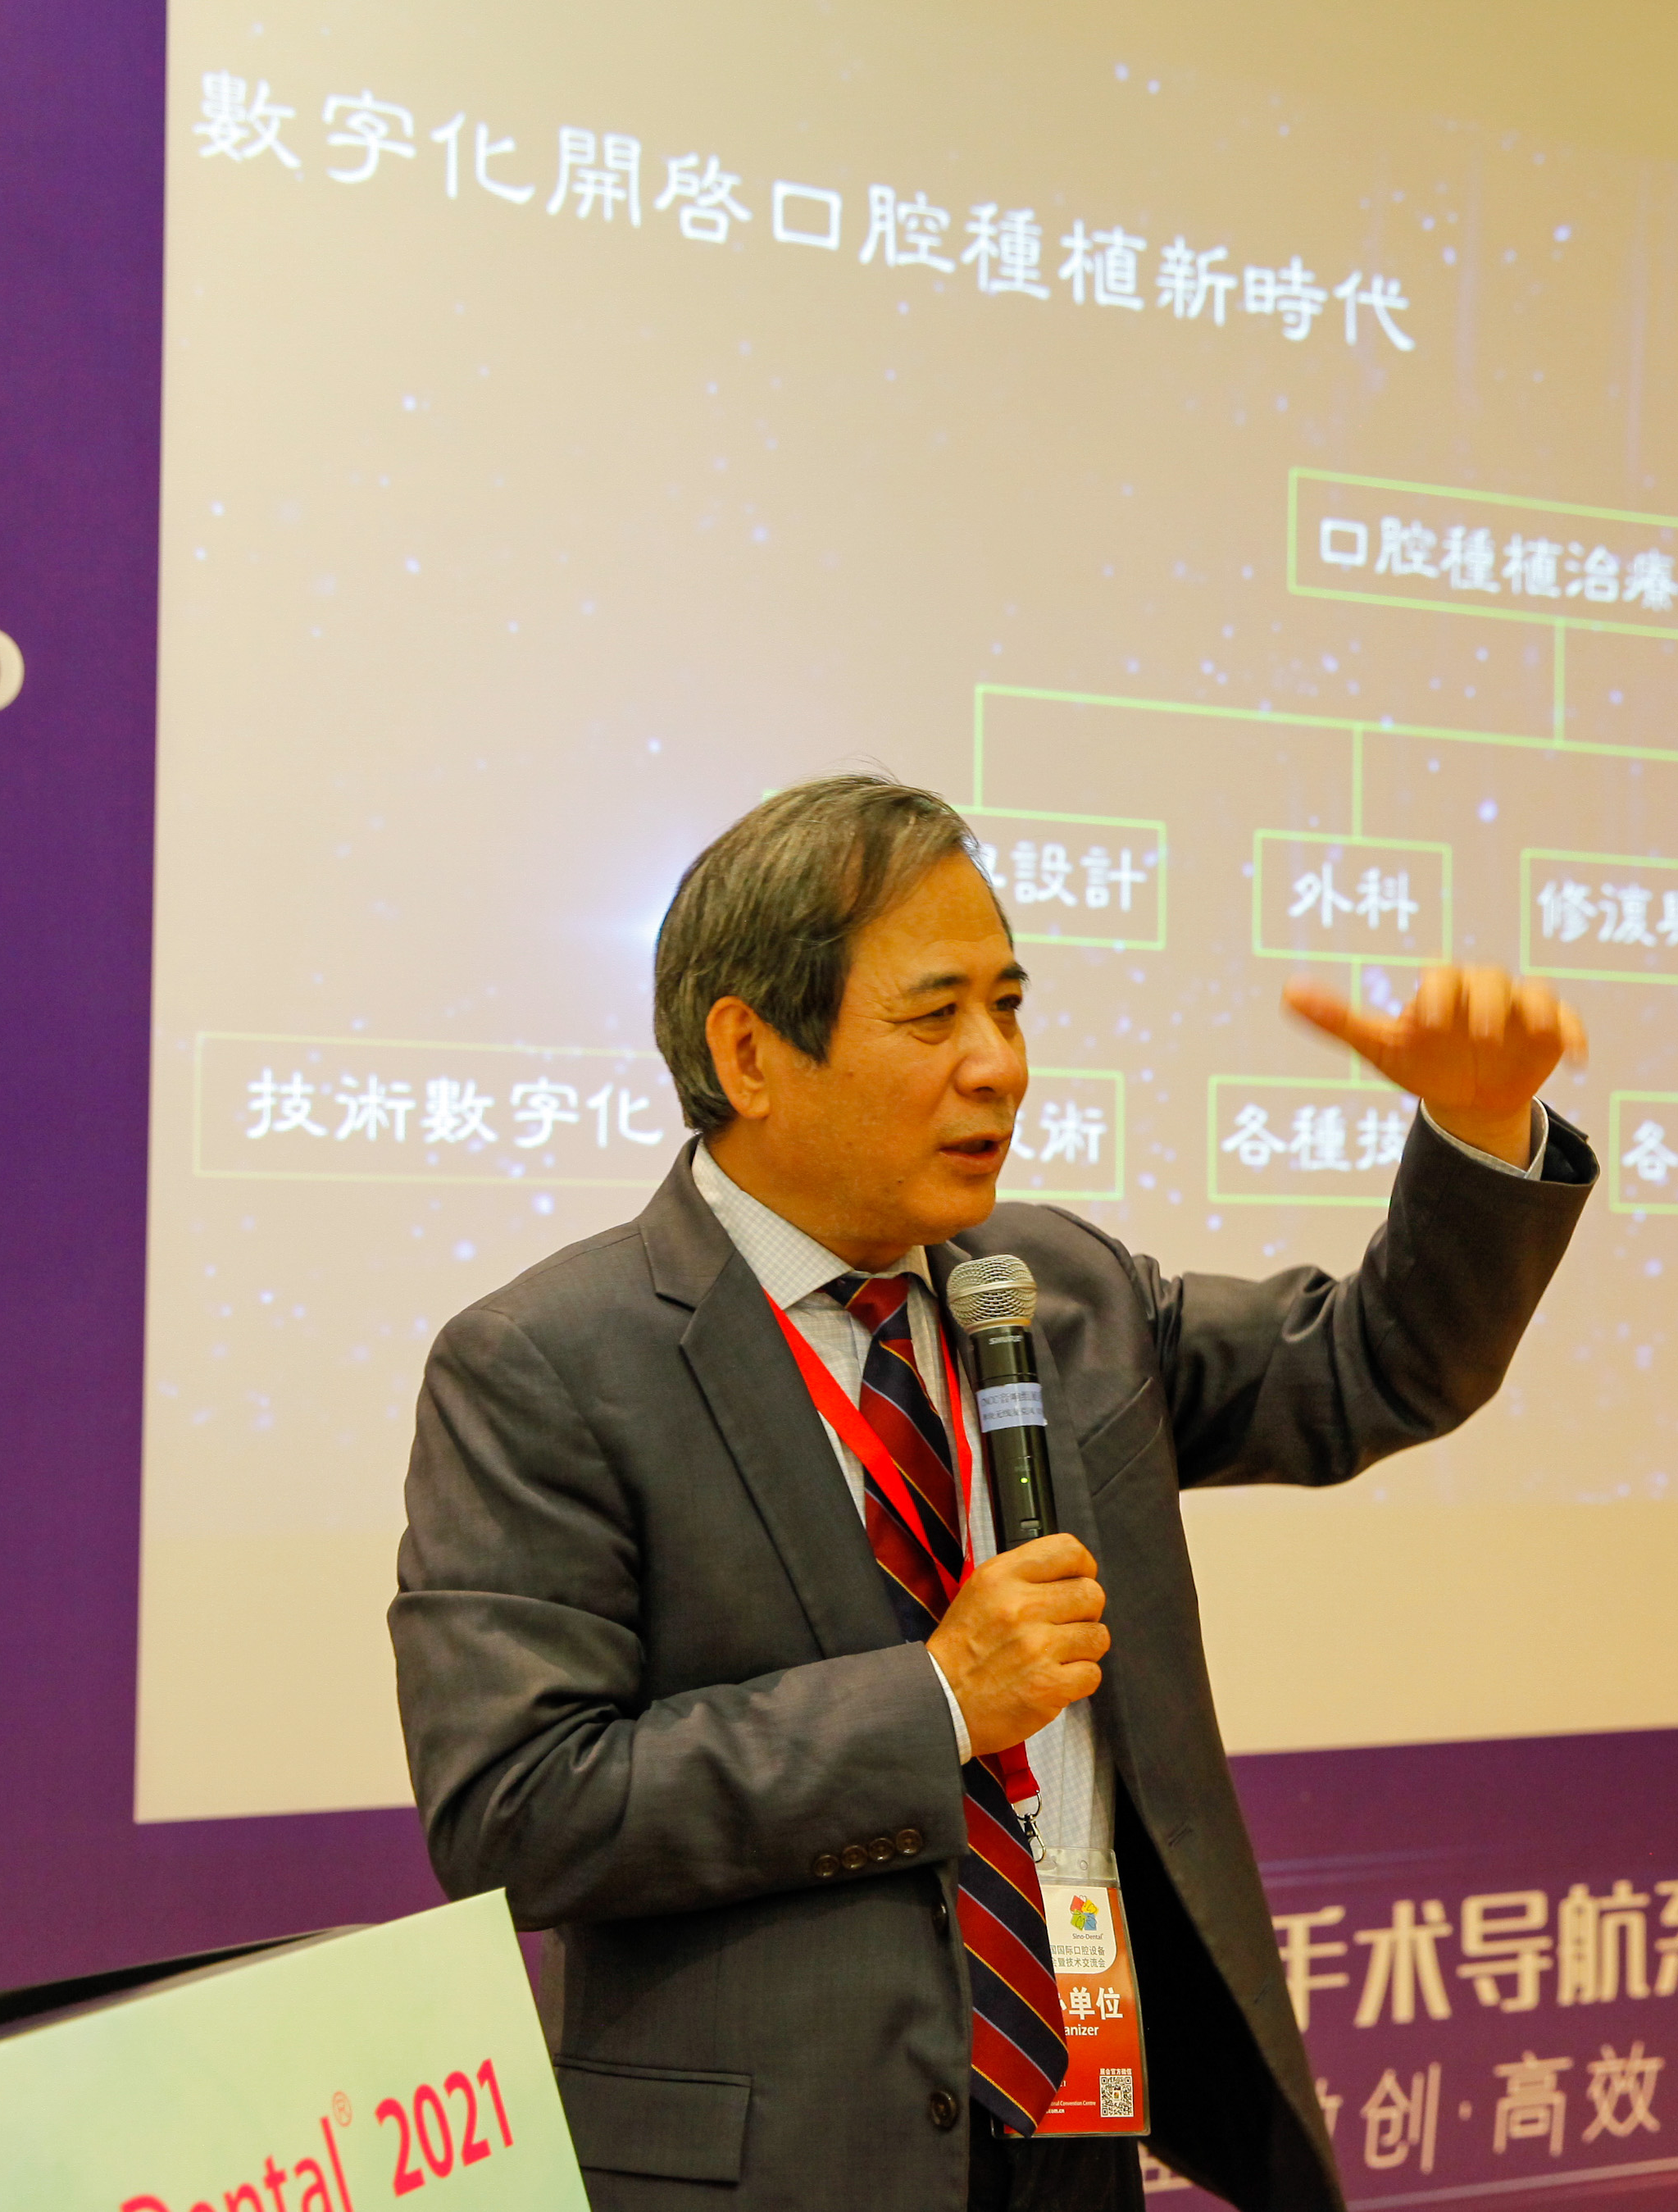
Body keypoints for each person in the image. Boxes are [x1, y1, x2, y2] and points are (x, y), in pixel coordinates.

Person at [393, 775, 1594, 2211]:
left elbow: (1374, 1365)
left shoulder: (1056, 1289)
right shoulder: (549, 1361)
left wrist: (1477, 1123)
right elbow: (519, 1808)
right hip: (780, 2168)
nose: (999, 1066)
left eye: (1010, 1007)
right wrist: (938, 1700)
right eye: (937, 1015)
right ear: (751, 1050)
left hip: (1076, 2122)